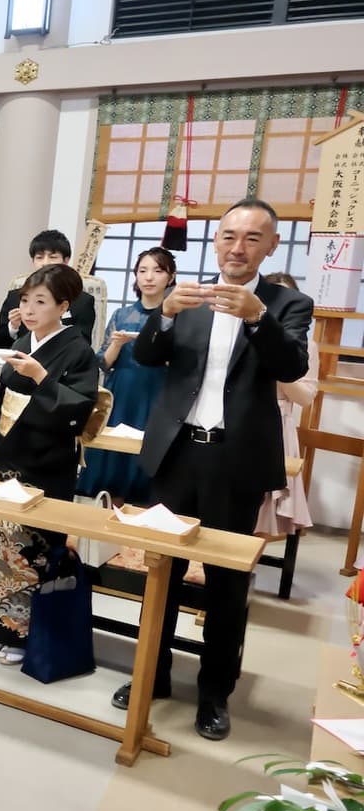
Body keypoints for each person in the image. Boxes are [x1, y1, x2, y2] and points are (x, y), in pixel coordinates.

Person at [113, 199, 312, 740]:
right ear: (215, 241)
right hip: (178, 455)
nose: (237, 247)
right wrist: (166, 313)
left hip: (235, 460)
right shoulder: (190, 298)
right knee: (163, 572)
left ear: (270, 246)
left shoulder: (289, 302)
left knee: (226, 584)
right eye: (228, 236)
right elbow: (149, 358)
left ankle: (214, 693)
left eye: (252, 238)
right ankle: (150, 674)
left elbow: (292, 364)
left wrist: (256, 317)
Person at [0, 264, 100, 665]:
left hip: (46, 460)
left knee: (32, 550)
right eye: (25, 300)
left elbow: (78, 410)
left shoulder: (78, 349)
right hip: (8, 453)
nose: (29, 309)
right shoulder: (23, 340)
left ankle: (25, 635)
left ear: (64, 305)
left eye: (41, 301)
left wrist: (42, 377)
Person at [76, 247, 175, 505]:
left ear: (170, 277)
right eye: (143, 270)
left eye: (158, 270)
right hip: (122, 391)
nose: (149, 277)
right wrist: (117, 345)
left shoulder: (177, 316)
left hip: (157, 391)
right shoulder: (122, 314)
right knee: (114, 465)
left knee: (147, 462)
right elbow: (103, 362)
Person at [255, 272, 319, 538]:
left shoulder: (307, 346)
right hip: (239, 419)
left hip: (279, 426)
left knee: (265, 513)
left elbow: (305, 397)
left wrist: (279, 366)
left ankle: (244, 570)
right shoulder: (246, 335)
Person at [0, 230, 97, 350]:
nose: (45, 263)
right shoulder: (15, 296)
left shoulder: (82, 300)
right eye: (39, 257)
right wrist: (13, 327)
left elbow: (82, 345)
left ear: (66, 260)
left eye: (52, 257)